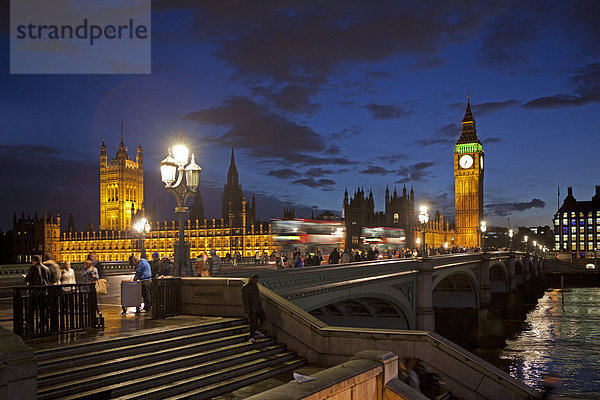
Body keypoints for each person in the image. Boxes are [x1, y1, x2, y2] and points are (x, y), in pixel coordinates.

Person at [241, 274, 266, 342]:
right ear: (252, 279)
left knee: (263, 319)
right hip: (252, 309)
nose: (257, 281)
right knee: (253, 322)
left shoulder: (255, 286)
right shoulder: (246, 287)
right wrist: (247, 310)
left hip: (258, 307)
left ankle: (256, 330)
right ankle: (251, 336)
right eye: (256, 280)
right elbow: (245, 300)